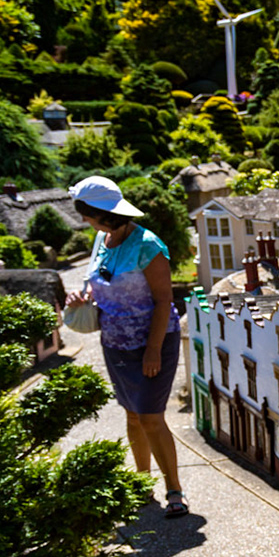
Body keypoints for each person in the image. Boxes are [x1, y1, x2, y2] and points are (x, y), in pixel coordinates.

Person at [64, 176, 190, 517]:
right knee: (133, 416)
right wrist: (82, 297)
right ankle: (140, 483)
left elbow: (165, 302)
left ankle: (174, 490)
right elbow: (99, 282)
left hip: (152, 343)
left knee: (151, 417)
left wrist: (152, 351)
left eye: (86, 215)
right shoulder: (101, 240)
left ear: (100, 214)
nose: (84, 221)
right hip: (115, 343)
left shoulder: (147, 245)